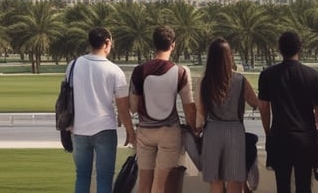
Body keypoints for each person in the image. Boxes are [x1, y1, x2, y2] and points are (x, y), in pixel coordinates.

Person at [69, 26, 136, 193]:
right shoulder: (114, 70)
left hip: (79, 129)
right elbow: (122, 106)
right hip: (105, 128)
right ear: (107, 43)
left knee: (82, 175)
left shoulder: (73, 65)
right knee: (105, 178)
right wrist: (130, 131)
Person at [130, 26, 197, 193]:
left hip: (145, 131)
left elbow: (132, 107)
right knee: (160, 185)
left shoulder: (139, 71)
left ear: (154, 44)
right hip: (169, 132)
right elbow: (189, 107)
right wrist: (194, 128)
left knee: (144, 183)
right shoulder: (181, 72)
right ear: (173, 45)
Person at [258, 31, 318, 193]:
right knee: (304, 186)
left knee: (282, 186)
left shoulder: (268, 75)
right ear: (300, 48)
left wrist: (268, 132)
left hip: (280, 137)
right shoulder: (313, 75)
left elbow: (263, 108)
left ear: (279, 49)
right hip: (305, 138)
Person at [198, 37, 259, 193]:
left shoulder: (205, 81)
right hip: (234, 130)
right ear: (228, 56)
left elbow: (202, 111)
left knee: (215, 181)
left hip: (212, 130)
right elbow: (255, 102)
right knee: (234, 180)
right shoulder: (240, 80)